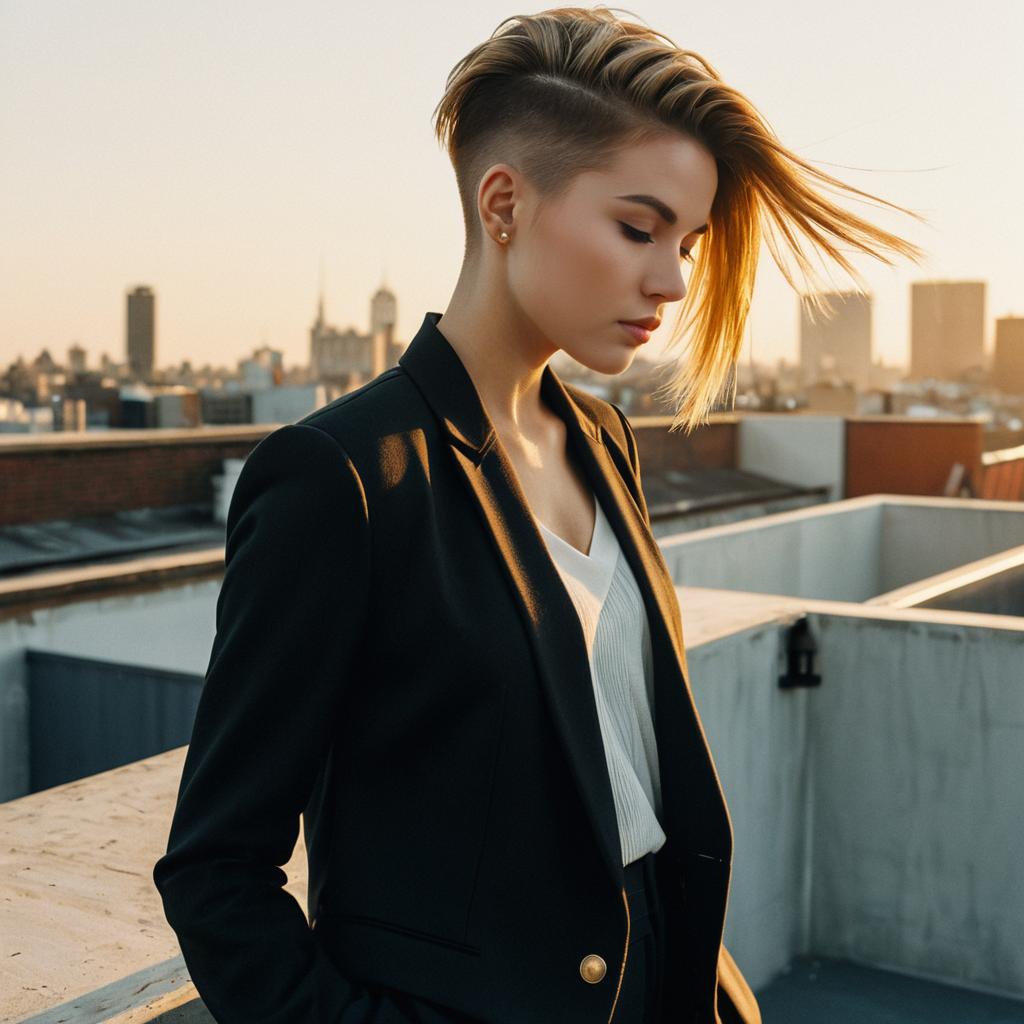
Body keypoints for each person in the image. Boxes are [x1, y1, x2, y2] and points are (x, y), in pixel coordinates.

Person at [153, 7, 923, 1023]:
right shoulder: (341, 477)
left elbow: (629, 771)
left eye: (688, 241)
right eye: (638, 228)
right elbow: (216, 869)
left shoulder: (603, 440)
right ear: (504, 202)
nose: (674, 280)